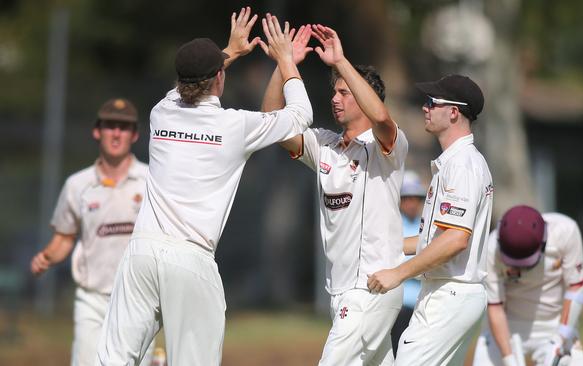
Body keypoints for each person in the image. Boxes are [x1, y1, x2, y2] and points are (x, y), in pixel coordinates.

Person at [95, 9, 313, 366]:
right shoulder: (235, 126)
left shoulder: (160, 112)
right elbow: (300, 116)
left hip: (141, 253)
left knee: (114, 360)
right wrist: (287, 62)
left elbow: (191, 81)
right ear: (219, 79)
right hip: (190, 259)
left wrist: (228, 51)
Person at [262, 24, 408, 365]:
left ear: (363, 96)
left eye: (344, 92)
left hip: (371, 287)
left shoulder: (387, 145)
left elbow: (382, 117)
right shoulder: (324, 144)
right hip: (340, 291)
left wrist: (341, 62)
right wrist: (285, 65)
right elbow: (272, 121)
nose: (334, 98)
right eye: (334, 92)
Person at [368, 74, 494, 366]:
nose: (424, 107)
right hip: (448, 293)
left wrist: (398, 273)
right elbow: (435, 238)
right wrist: (387, 247)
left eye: (431, 102)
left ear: (453, 112)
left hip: (449, 294)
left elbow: (455, 239)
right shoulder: (454, 163)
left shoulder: (462, 166)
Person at [30, 98, 153, 366]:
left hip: (139, 299)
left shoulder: (151, 180)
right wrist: (47, 256)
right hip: (92, 299)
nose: (116, 133)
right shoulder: (78, 184)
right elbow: (64, 236)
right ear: (97, 131)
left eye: (124, 127)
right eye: (110, 126)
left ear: (134, 135)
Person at [472, 205, 583, 366]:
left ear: (543, 242)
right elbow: (495, 306)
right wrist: (509, 359)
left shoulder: (565, 231)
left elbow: (576, 288)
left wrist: (558, 341)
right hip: (507, 326)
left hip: (555, 324)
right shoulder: (491, 248)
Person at [390, 170, 426, 356]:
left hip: (423, 304)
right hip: (399, 304)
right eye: (407, 198)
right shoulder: (391, 225)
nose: (412, 203)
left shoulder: (425, 224)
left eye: (416, 198)